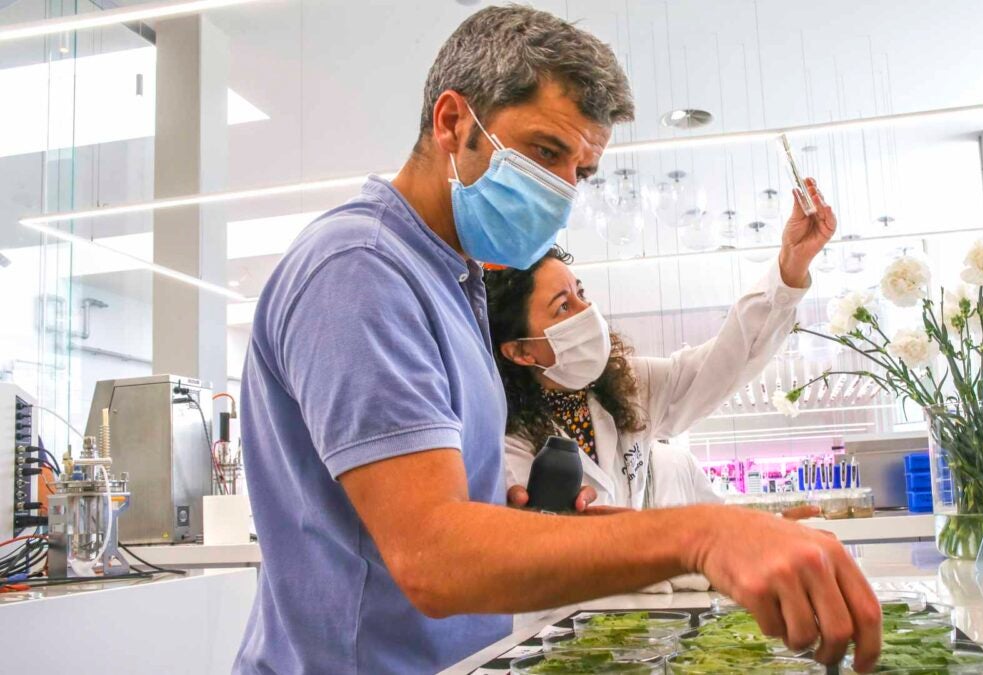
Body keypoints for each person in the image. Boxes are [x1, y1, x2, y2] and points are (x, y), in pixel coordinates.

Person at [234, 6, 881, 674]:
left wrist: (534, 524)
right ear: (454, 122)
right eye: (547, 152)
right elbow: (432, 556)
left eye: (582, 170)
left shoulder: (454, 282)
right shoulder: (360, 268)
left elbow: (445, 518)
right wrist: (700, 532)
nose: (564, 191)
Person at [487, 183, 830, 515]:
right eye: (563, 307)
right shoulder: (504, 440)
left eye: (581, 294)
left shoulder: (630, 385)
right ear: (519, 351)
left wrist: (791, 265)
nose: (587, 312)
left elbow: (727, 359)